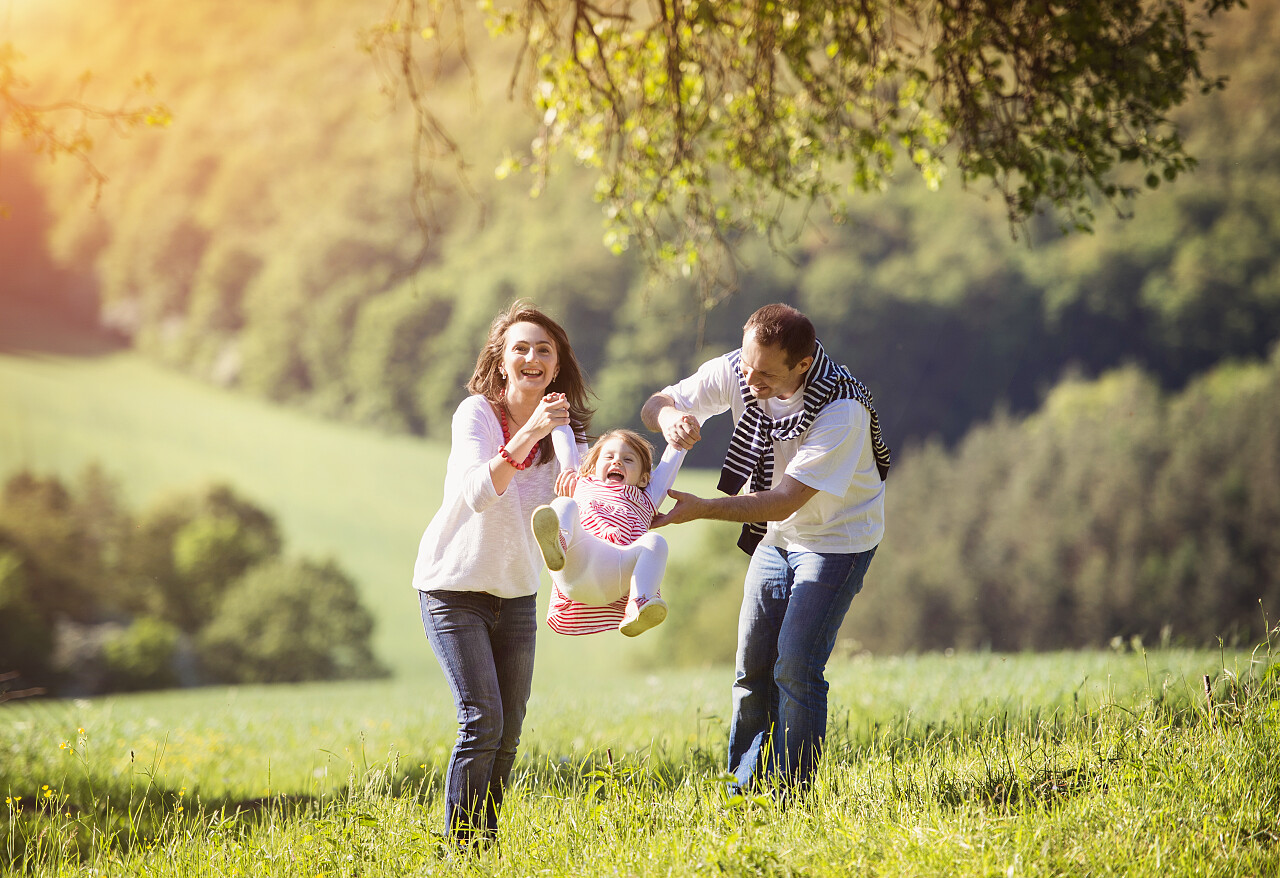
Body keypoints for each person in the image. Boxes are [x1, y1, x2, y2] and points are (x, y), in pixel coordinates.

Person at [641, 303, 890, 795]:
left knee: (795, 665)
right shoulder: (741, 367)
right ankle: (744, 791)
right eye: (748, 366)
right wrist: (670, 418)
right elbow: (656, 403)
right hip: (777, 541)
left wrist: (703, 508)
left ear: (802, 364)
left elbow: (783, 501)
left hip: (836, 541)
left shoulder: (841, 408)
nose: (750, 379)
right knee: (752, 668)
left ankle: (791, 793)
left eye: (766, 374)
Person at [412, 301, 592, 847]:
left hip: (516, 596)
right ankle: (459, 851)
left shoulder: (568, 437)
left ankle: (483, 845)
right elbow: (477, 494)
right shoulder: (477, 417)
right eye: (521, 348)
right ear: (502, 359)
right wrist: (529, 431)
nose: (532, 357)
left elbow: (585, 515)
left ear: (556, 365)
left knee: (508, 733)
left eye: (544, 349)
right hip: (453, 588)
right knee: (481, 721)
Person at [531, 427, 687, 637]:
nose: (617, 462)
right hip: (573, 562)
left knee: (655, 542)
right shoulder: (580, 482)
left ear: (643, 479)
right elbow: (566, 445)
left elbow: (667, 469)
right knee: (564, 504)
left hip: (616, 574)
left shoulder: (646, 498)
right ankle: (558, 545)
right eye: (609, 456)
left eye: (628, 460)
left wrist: (680, 442)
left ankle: (638, 602)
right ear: (594, 467)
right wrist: (561, 419)